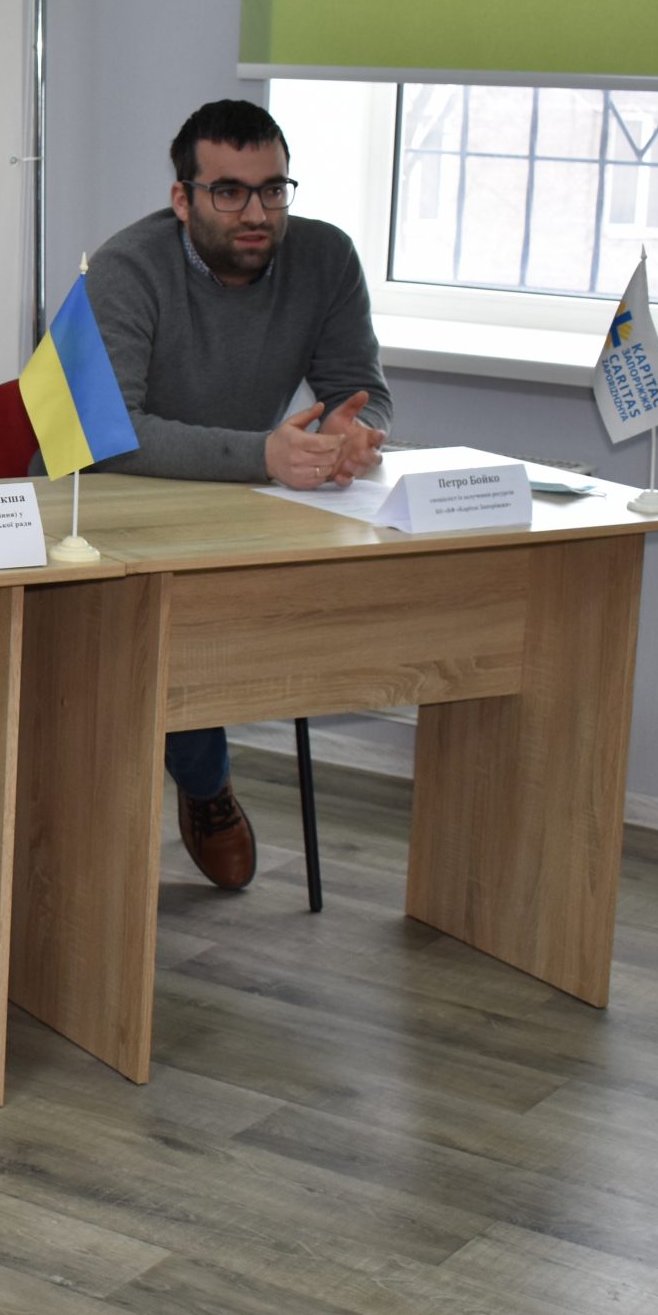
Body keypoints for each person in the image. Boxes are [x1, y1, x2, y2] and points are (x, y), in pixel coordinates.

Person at [87, 97, 390, 891]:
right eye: (229, 192)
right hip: (112, 500)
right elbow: (109, 437)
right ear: (182, 198)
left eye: (273, 189)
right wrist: (263, 454)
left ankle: (196, 772)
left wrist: (355, 432)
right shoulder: (127, 267)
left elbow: (361, 389)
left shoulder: (326, 257)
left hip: (236, 497)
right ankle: (204, 779)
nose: (256, 213)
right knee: (160, 615)